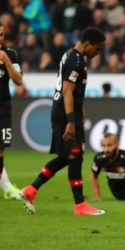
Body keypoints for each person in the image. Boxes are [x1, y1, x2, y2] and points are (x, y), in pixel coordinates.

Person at [20, 27, 107, 216]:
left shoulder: (72, 55)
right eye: (97, 49)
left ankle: (31, 190)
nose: (97, 54)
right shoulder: (75, 61)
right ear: (87, 44)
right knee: (75, 156)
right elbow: (67, 91)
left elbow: (72, 91)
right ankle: (80, 205)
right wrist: (70, 120)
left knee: (68, 156)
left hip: (67, 112)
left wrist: (79, 110)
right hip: (65, 115)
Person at [0, 21, 23, 200]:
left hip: (3, 107)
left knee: (0, 150)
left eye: (1, 35)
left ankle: (7, 187)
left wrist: (6, 61)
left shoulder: (11, 54)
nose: (0, 38)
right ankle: (7, 187)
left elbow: (18, 81)